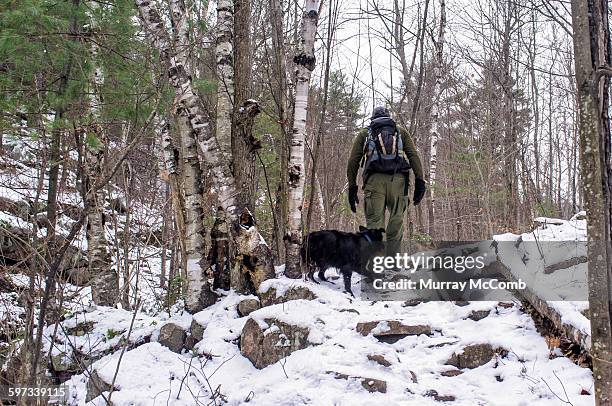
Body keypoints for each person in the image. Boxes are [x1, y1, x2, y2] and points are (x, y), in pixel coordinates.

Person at [346, 106, 426, 242]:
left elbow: (353, 161)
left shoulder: (365, 133)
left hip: (374, 182)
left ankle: (376, 260)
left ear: (373, 119)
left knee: (374, 226)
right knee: (397, 223)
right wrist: (420, 181)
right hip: (399, 182)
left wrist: (352, 187)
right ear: (389, 117)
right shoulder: (400, 132)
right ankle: (393, 262)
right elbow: (413, 156)